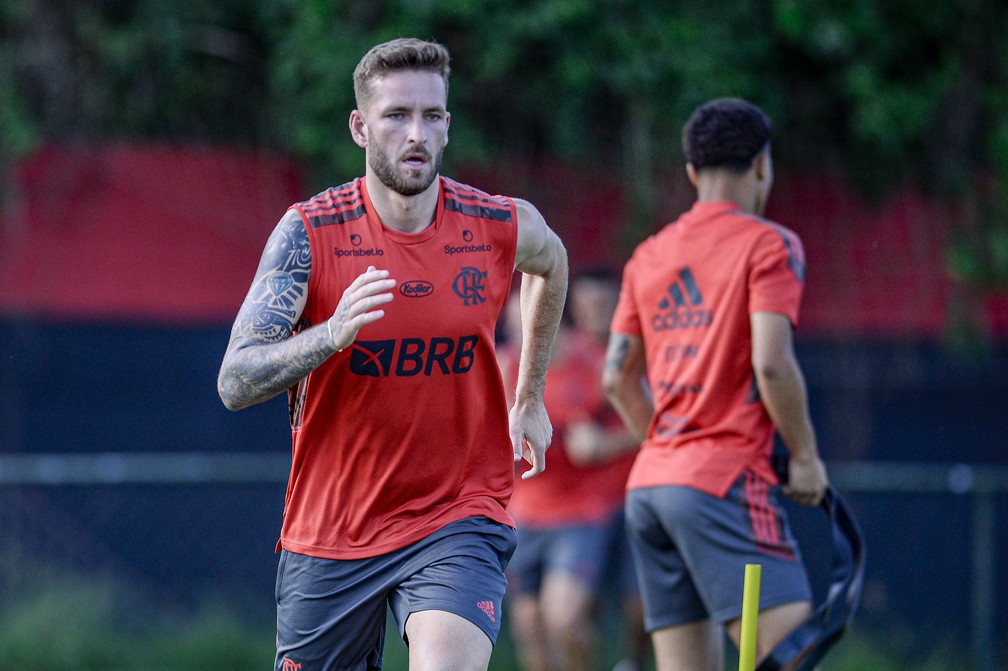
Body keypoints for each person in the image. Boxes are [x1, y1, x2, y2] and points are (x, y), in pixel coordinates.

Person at [217, 38, 568, 671]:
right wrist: (329, 335)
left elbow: (551, 260)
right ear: (359, 127)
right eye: (396, 116)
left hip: (456, 514)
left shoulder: (492, 224)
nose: (416, 133)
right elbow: (235, 380)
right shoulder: (310, 231)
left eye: (432, 116)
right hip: (331, 531)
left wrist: (530, 396)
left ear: (447, 127)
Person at [601, 97, 829, 671]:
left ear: (691, 172)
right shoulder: (770, 244)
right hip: (724, 481)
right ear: (761, 166)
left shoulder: (647, 256)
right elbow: (772, 364)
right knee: (793, 653)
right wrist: (804, 457)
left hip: (650, 487)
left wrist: (671, 447)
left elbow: (616, 378)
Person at [498, 270, 647, 671]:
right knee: (530, 629)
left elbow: (649, 426)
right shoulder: (501, 367)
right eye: (512, 326)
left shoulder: (595, 365)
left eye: (526, 324)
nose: (519, 337)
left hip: (582, 513)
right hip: (522, 516)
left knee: (563, 618)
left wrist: (602, 443)